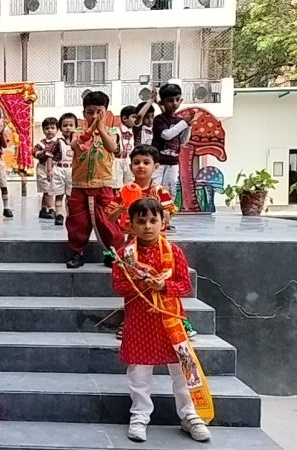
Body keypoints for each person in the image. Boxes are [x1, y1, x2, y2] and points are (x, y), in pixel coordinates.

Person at [112, 198, 212, 443]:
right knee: (139, 372)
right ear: (130, 225)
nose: (147, 226)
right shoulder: (125, 255)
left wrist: (164, 286)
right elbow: (118, 285)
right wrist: (141, 283)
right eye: (141, 221)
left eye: (153, 220)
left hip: (171, 321)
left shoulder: (173, 252)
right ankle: (139, 416)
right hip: (139, 321)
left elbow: (184, 285)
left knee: (182, 370)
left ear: (162, 223)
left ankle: (189, 415)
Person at [107, 145, 197, 340]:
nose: (141, 166)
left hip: (159, 246)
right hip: (133, 245)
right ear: (130, 166)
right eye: (136, 162)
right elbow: (110, 217)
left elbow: (168, 215)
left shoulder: (160, 191)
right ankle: (128, 320)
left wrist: (152, 211)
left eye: (146, 162)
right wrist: (122, 209)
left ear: (155, 166)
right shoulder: (124, 191)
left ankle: (179, 320)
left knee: (164, 281)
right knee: (134, 282)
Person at [66, 91, 124, 269]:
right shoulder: (77, 132)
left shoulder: (113, 132)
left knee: (107, 221)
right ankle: (77, 253)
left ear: (106, 113)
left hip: (103, 184)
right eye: (90, 112)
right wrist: (90, 130)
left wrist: (100, 129)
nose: (94, 116)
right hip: (79, 185)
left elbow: (112, 147)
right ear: (84, 114)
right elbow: (75, 146)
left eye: (99, 112)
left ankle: (111, 253)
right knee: (78, 221)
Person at [152, 83, 193, 199]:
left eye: (177, 99)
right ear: (162, 102)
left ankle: (167, 211)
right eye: (170, 100)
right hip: (158, 162)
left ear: (181, 100)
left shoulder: (179, 120)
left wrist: (188, 127)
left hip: (173, 162)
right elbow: (166, 135)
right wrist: (184, 123)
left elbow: (183, 141)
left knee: (170, 192)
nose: (174, 103)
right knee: (154, 190)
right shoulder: (159, 119)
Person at [50, 113, 77, 226]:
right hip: (59, 169)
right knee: (59, 194)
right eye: (65, 125)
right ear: (60, 128)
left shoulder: (78, 142)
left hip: (72, 170)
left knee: (71, 196)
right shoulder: (58, 142)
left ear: (76, 127)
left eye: (71, 125)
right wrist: (49, 170)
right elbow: (50, 156)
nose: (68, 128)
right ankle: (59, 214)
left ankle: (70, 215)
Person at [34, 117, 59, 220]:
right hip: (43, 168)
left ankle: (44, 209)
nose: (49, 130)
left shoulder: (58, 142)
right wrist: (43, 153)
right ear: (43, 130)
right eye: (47, 128)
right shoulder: (41, 143)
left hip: (54, 168)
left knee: (49, 190)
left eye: (52, 128)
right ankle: (52, 209)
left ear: (57, 129)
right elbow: (35, 153)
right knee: (48, 190)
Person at [115, 106, 136, 189]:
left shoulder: (135, 131)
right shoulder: (116, 130)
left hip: (129, 161)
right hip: (117, 161)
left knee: (129, 186)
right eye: (134, 117)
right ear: (124, 118)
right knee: (117, 186)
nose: (136, 120)